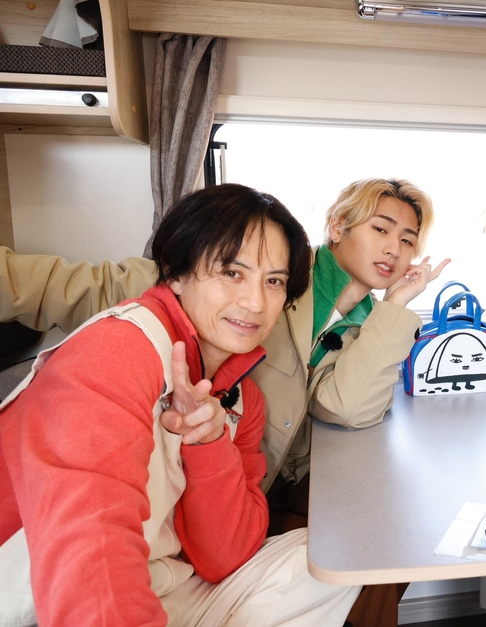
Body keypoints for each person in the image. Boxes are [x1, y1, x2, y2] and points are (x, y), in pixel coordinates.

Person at [0, 178, 449, 626]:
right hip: (48, 588)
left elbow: (345, 406)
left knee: (361, 547)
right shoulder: (121, 349)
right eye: (233, 273)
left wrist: (210, 441)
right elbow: (91, 554)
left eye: (407, 240)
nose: (254, 301)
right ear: (337, 226)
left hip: (237, 504)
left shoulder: (256, 386)